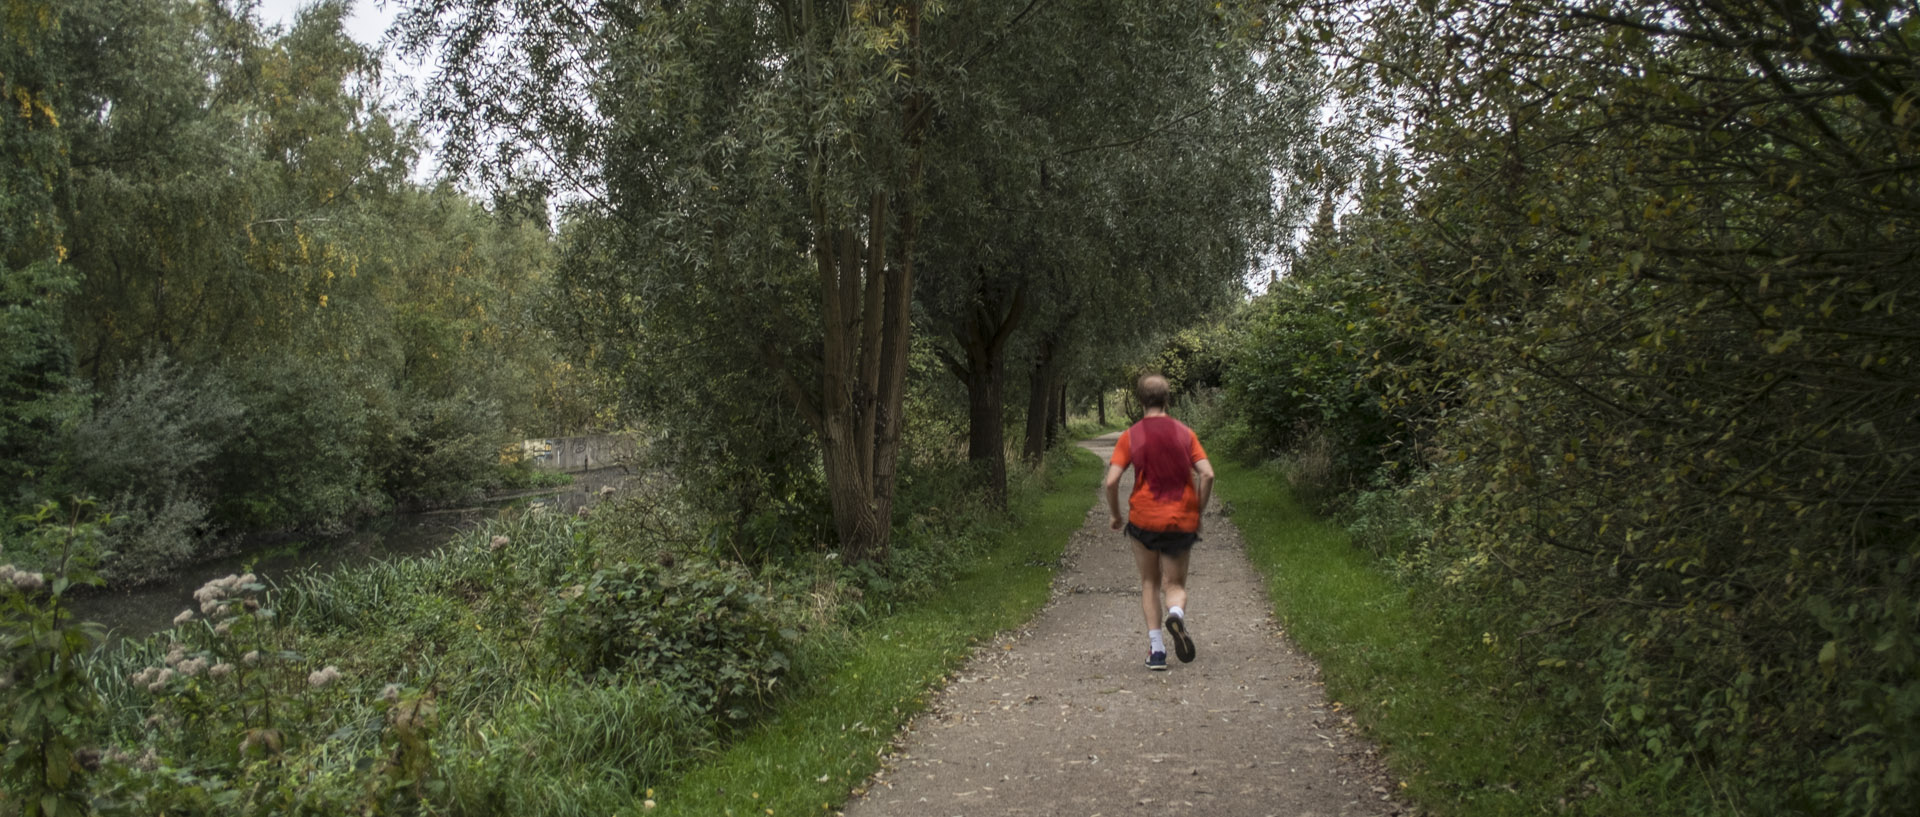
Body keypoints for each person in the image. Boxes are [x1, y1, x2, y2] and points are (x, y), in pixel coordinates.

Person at [1103, 374, 1214, 670]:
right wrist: (1197, 511)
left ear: (1140, 401)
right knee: (1175, 583)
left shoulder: (1131, 436)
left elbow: (1112, 481)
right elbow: (1208, 474)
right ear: (1167, 399)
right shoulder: (1184, 433)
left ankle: (1157, 651)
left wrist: (1115, 514)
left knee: (1150, 582)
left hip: (1144, 520)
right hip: (1180, 520)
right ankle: (1176, 613)